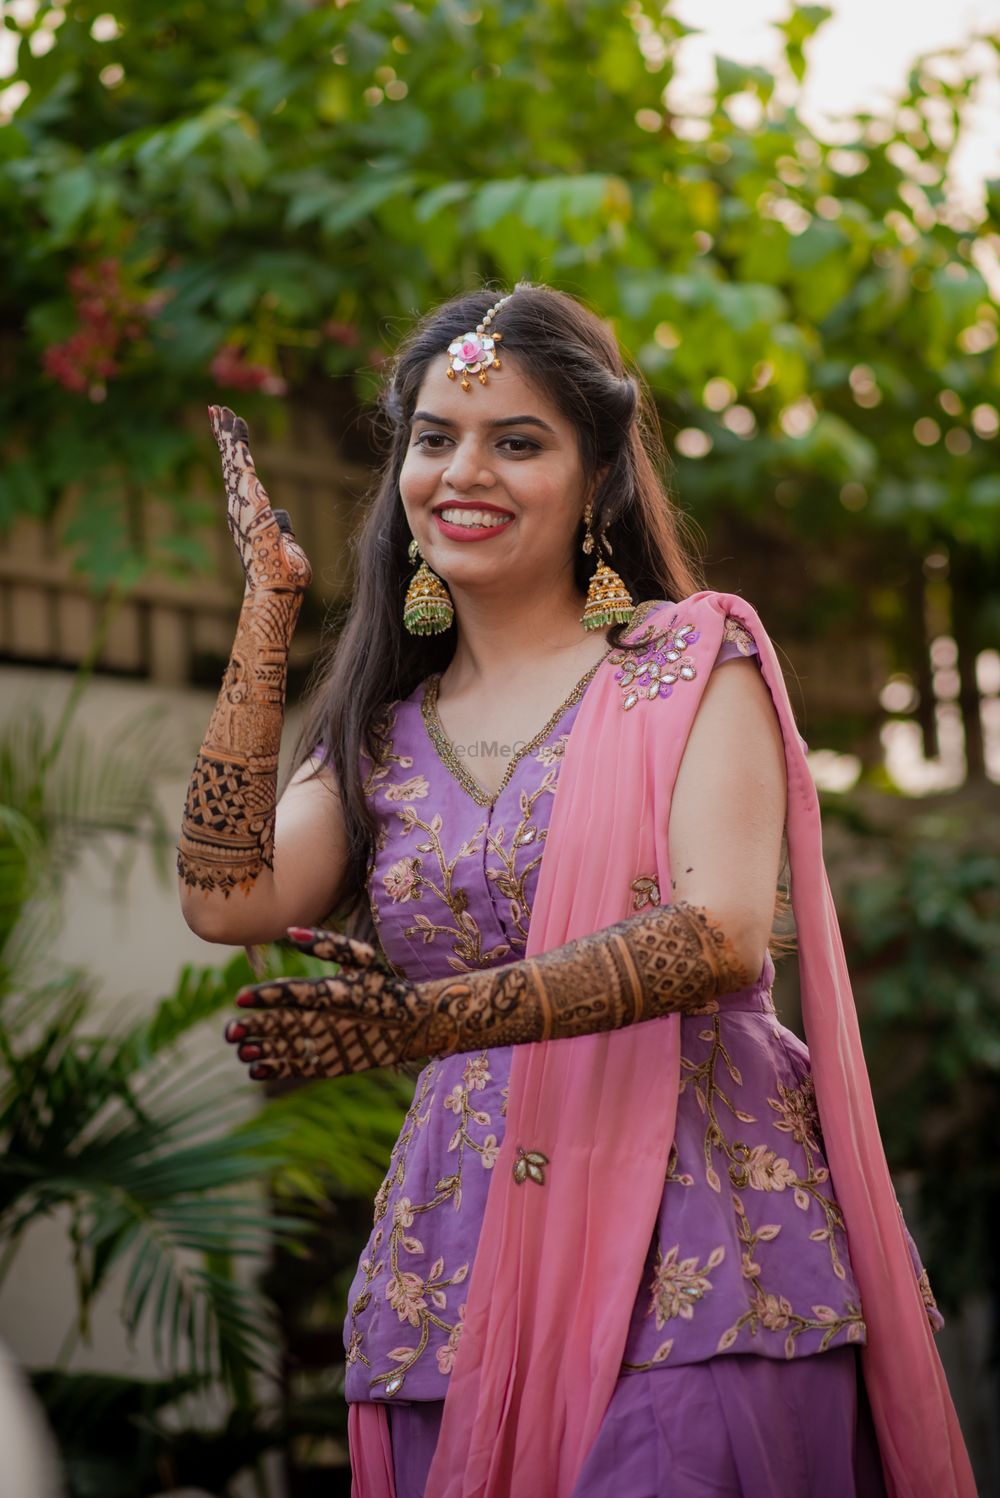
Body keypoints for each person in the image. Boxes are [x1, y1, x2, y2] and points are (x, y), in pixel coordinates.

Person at [177, 284, 975, 1498]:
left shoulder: (692, 661)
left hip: (691, 1237)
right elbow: (224, 896)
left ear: (596, 476)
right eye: (434, 438)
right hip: (461, 1257)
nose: (464, 473)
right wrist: (267, 607)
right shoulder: (382, 737)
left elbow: (711, 938)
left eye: (518, 441)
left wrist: (431, 1021)